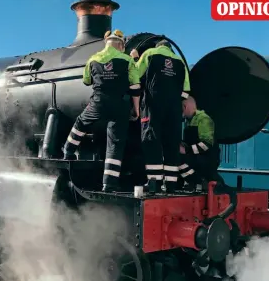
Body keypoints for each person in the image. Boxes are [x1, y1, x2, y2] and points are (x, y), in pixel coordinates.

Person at [62, 29, 141, 192]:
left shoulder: (93, 59)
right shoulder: (127, 60)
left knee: (81, 123)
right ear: (120, 45)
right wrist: (136, 109)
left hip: (99, 101)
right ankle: (109, 183)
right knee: (115, 143)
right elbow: (135, 88)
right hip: (120, 104)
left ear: (107, 43)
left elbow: (86, 81)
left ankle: (68, 151)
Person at [130, 40, 190, 193]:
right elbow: (186, 90)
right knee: (171, 143)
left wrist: (135, 58)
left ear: (157, 47)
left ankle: (154, 184)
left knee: (151, 141)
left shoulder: (150, 54)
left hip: (153, 105)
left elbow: (135, 74)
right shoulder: (180, 61)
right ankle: (170, 185)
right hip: (174, 109)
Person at [180, 95, 222, 185]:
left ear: (185, 107)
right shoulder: (190, 121)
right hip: (197, 157)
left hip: (207, 159)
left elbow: (206, 145)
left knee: (179, 160)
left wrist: (187, 150)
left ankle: (199, 182)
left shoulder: (204, 119)